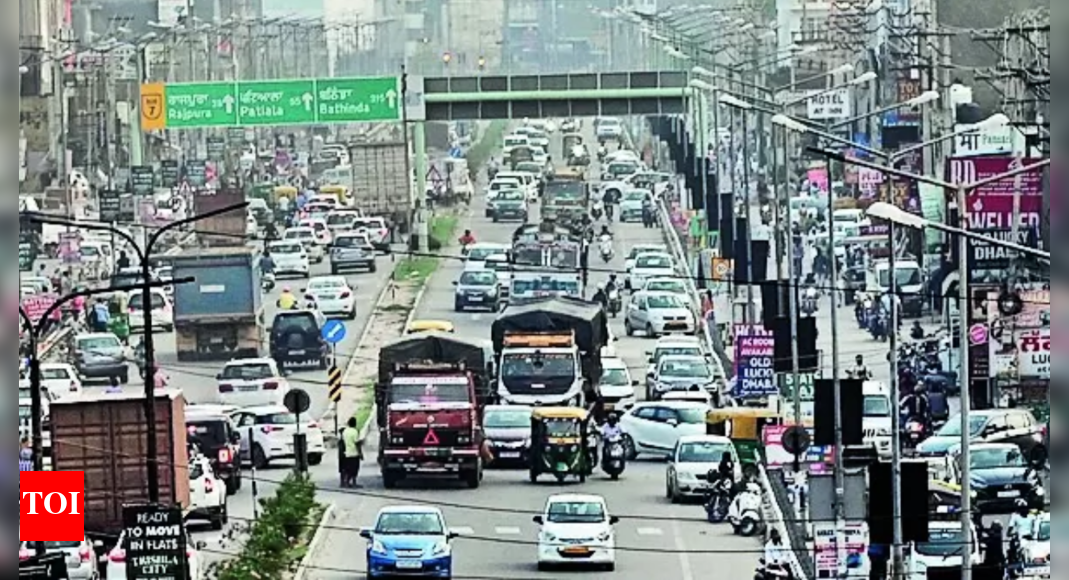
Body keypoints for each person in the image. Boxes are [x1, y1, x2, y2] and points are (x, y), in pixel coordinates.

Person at [340, 417, 364, 488]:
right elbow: (357, 443)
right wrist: (360, 454)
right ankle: (354, 483)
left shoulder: (345, 432)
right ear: (355, 423)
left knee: (348, 469)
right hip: (354, 453)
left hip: (347, 453)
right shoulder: (354, 432)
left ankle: (346, 482)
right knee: (355, 470)